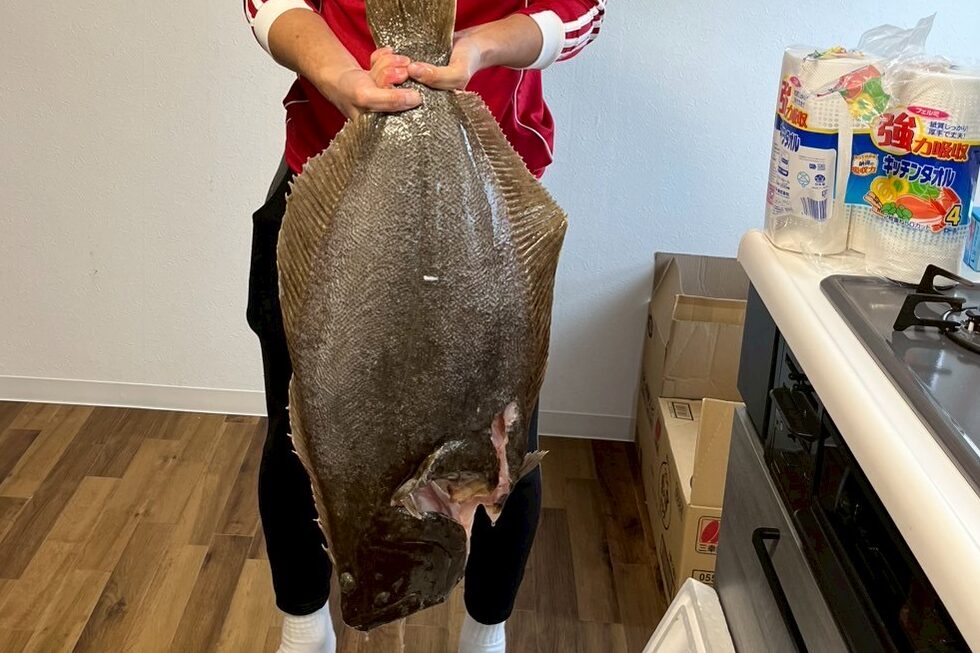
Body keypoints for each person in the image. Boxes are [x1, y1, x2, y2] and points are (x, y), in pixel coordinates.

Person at [242, 2, 604, 652]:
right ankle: (303, 625)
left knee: (501, 452)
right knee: (302, 432)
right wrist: (341, 78)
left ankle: (485, 632)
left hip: (480, 183)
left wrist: (478, 49)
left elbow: (582, 10)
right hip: (332, 151)